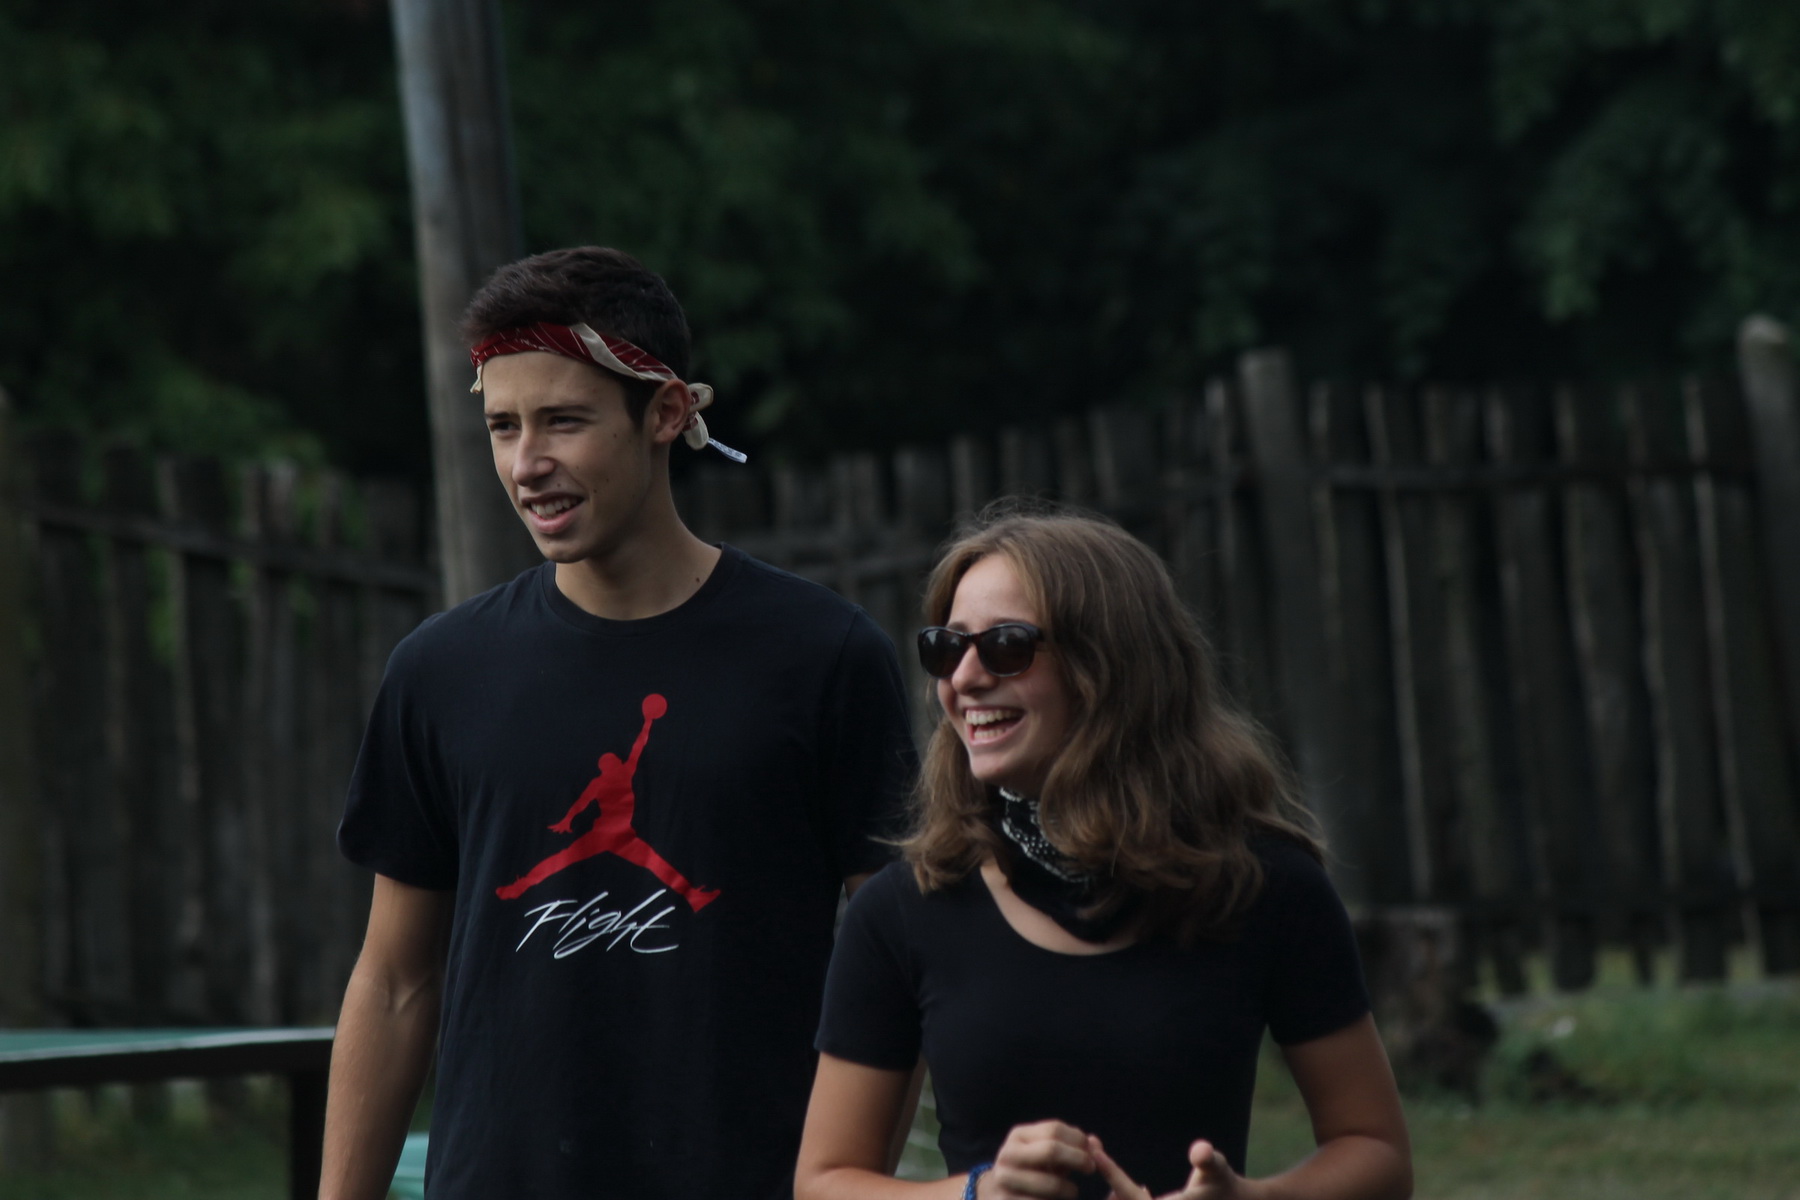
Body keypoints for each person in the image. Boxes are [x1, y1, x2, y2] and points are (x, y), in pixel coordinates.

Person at [321, 247, 917, 1200]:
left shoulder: (821, 656)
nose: (527, 464)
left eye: (564, 420)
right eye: (503, 426)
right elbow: (394, 982)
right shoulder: (441, 671)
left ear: (667, 413)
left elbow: (901, 959)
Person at [796, 507, 1412, 1200]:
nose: (963, 678)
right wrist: (980, 1193)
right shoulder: (904, 909)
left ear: (1111, 666)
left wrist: (1252, 1199)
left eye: (1006, 645)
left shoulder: (1263, 885)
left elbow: (1378, 1153)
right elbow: (824, 1183)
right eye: (946, 647)